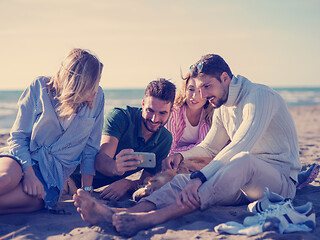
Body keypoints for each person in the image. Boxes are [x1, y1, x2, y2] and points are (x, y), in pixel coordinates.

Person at [73, 53, 302, 237]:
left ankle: (153, 219)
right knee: (183, 180)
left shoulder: (258, 96)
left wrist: (200, 178)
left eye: (207, 87)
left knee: (237, 162)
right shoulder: (222, 108)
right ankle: (124, 214)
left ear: (225, 78)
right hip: (241, 185)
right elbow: (210, 147)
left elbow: (241, 146)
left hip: (278, 182)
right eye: (198, 88)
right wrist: (182, 158)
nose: (202, 95)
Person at [0, 48, 104, 214]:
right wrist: (29, 174)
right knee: (4, 180)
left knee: (8, 202)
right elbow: (19, 137)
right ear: (75, 84)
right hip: (22, 159)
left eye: (97, 83)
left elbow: (90, 150)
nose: (95, 91)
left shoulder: (98, 98)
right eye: (91, 86)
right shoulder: (39, 87)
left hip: (51, 178)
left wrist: (87, 191)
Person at [70, 79, 176, 200]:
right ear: (142, 104)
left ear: (171, 111)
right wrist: (115, 167)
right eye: (150, 110)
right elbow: (100, 160)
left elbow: (147, 181)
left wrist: (128, 184)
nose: (154, 119)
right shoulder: (120, 117)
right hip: (71, 177)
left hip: (90, 191)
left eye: (162, 113)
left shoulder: (165, 139)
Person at [165, 75, 213, 156]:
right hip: (174, 160)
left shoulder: (210, 115)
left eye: (200, 91)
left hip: (197, 160)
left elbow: (207, 150)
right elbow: (168, 151)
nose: (194, 96)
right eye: (191, 89)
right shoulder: (174, 112)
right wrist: (195, 150)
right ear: (184, 90)